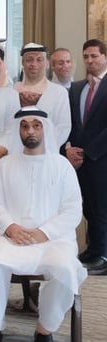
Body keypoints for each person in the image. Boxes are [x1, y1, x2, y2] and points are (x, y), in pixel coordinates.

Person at [0, 107, 86, 342]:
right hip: (12, 238)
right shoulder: (5, 165)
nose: (30, 131)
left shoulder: (62, 166)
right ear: (18, 131)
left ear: (45, 129)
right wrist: (11, 228)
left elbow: (73, 210)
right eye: (25, 126)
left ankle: (44, 332)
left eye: (36, 126)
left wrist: (44, 233)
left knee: (67, 270)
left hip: (53, 240)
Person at [65, 39, 107, 275]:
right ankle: (92, 251)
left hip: (102, 159)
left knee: (102, 208)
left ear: (104, 57)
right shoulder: (77, 87)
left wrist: (89, 152)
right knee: (87, 208)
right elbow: (73, 123)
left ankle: (103, 255)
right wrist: (70, 149)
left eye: (95, 56)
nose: (90, 61)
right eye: (86, 57)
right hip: (79, 162)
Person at [11, 43, 70, 149]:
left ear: (47, 64)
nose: (34, 64)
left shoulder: (59, 92)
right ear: (23, 63)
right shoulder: (12, 91)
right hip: (15, 153)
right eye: (29, 60)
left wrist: (40, 148)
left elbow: (63, 127)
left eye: (39, 60)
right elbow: (8, 126)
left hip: (48, 153)